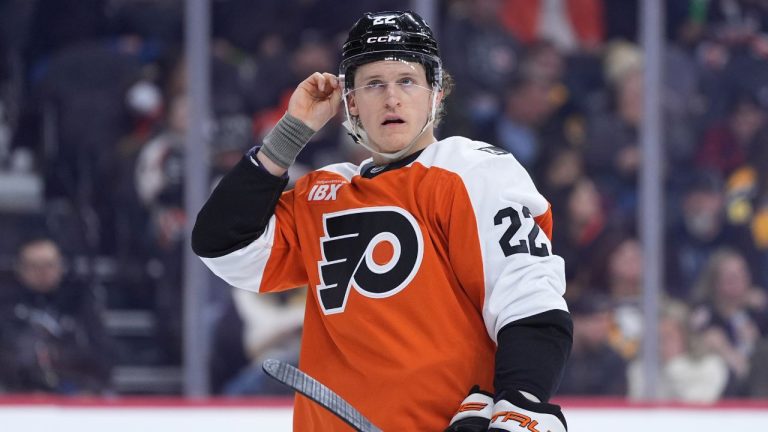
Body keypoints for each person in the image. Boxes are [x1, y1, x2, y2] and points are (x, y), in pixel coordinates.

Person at [193, 10, 572, 432]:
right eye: (374, 84)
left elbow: (529, 302)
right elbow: (224, 245)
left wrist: (518, 405)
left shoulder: (472, 172)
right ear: (350, 103)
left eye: (407, 81)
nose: (391, 98)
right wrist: (291, 133)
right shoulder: (324, 192)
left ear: (436, 94)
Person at [0, 236, 111, 394]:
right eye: (34, 266)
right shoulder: (5, 306)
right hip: (20, 396)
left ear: (60, 266)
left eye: (49, 265)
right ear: (20, 268)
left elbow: (102, 353)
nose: (42, 272)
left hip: (77, 393)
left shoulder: (80, 303)